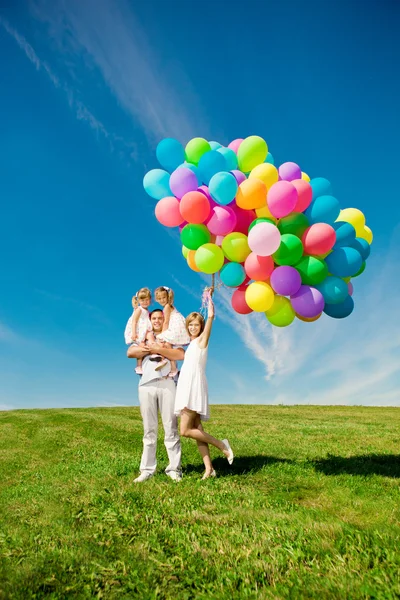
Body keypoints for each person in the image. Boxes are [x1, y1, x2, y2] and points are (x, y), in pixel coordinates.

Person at [174, 292, 234, 479]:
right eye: (190, 324)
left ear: (200, 327)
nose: (193, 327)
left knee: (184, 430)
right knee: (197, 430)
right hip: (187, 385)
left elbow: (211, 318)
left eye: (196, 324)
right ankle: (209, 469)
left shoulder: (202, 340)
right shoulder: (191, 344)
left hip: (193, 387)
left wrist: (209, 301)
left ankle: (222, 445)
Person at [127, 309, 185, 483]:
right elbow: (130, 353)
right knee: (149, 429)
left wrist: (159, 348)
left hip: (167, 383)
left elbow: (180, 354)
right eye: (154, 318)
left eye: (160, 318)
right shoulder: (144, 337)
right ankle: (147, 470)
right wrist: (151, 348)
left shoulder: (171, 337)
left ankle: (174, 469)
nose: (157, 320)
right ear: (150, 320)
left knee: (171, 427)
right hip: (146, 385)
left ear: (164, 320)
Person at [154, 286, 191, 377]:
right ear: (157, 299)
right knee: (169, 343)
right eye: (159, 298)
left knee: (162, 339)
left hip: (176, 328)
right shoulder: (170, 306)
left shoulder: (166, 307)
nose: (162, 300)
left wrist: (162, 335)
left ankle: (162, 359)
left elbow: (166, 322)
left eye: (164, 297)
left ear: (168, 297)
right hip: (179, 327)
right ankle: (173, 368)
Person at [124, 287, 155, 375]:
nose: (145, 302)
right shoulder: (139, 309)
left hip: (145, 329)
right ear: (138, 301)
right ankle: (138, 366)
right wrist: (133, 333)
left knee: (147, 340)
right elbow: (134, 321)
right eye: (142, 300)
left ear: (150, 300)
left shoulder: (147, 311)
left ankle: (154, 352)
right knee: (141, 345)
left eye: (147, 300)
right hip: (139, 331)